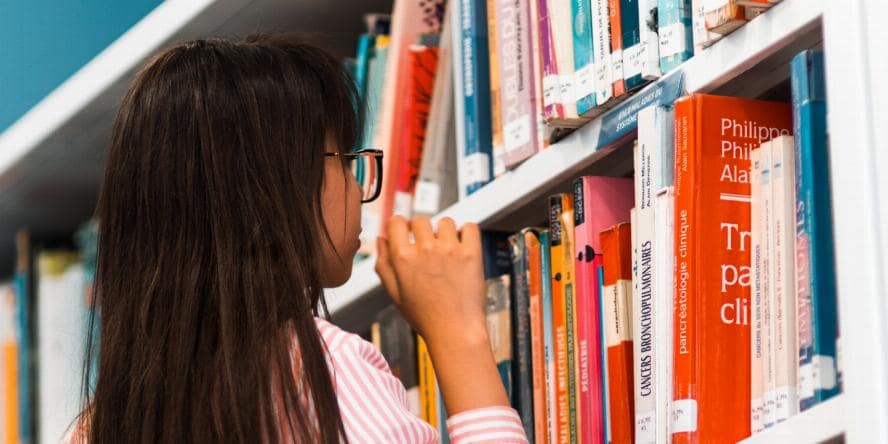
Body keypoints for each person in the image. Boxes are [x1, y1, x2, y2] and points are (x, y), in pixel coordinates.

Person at [68, 33, 528, 443]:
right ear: (272, 188)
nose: (357, 187)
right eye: (346, 160)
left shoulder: (100, 423)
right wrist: (460, 337)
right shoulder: (322, 374)